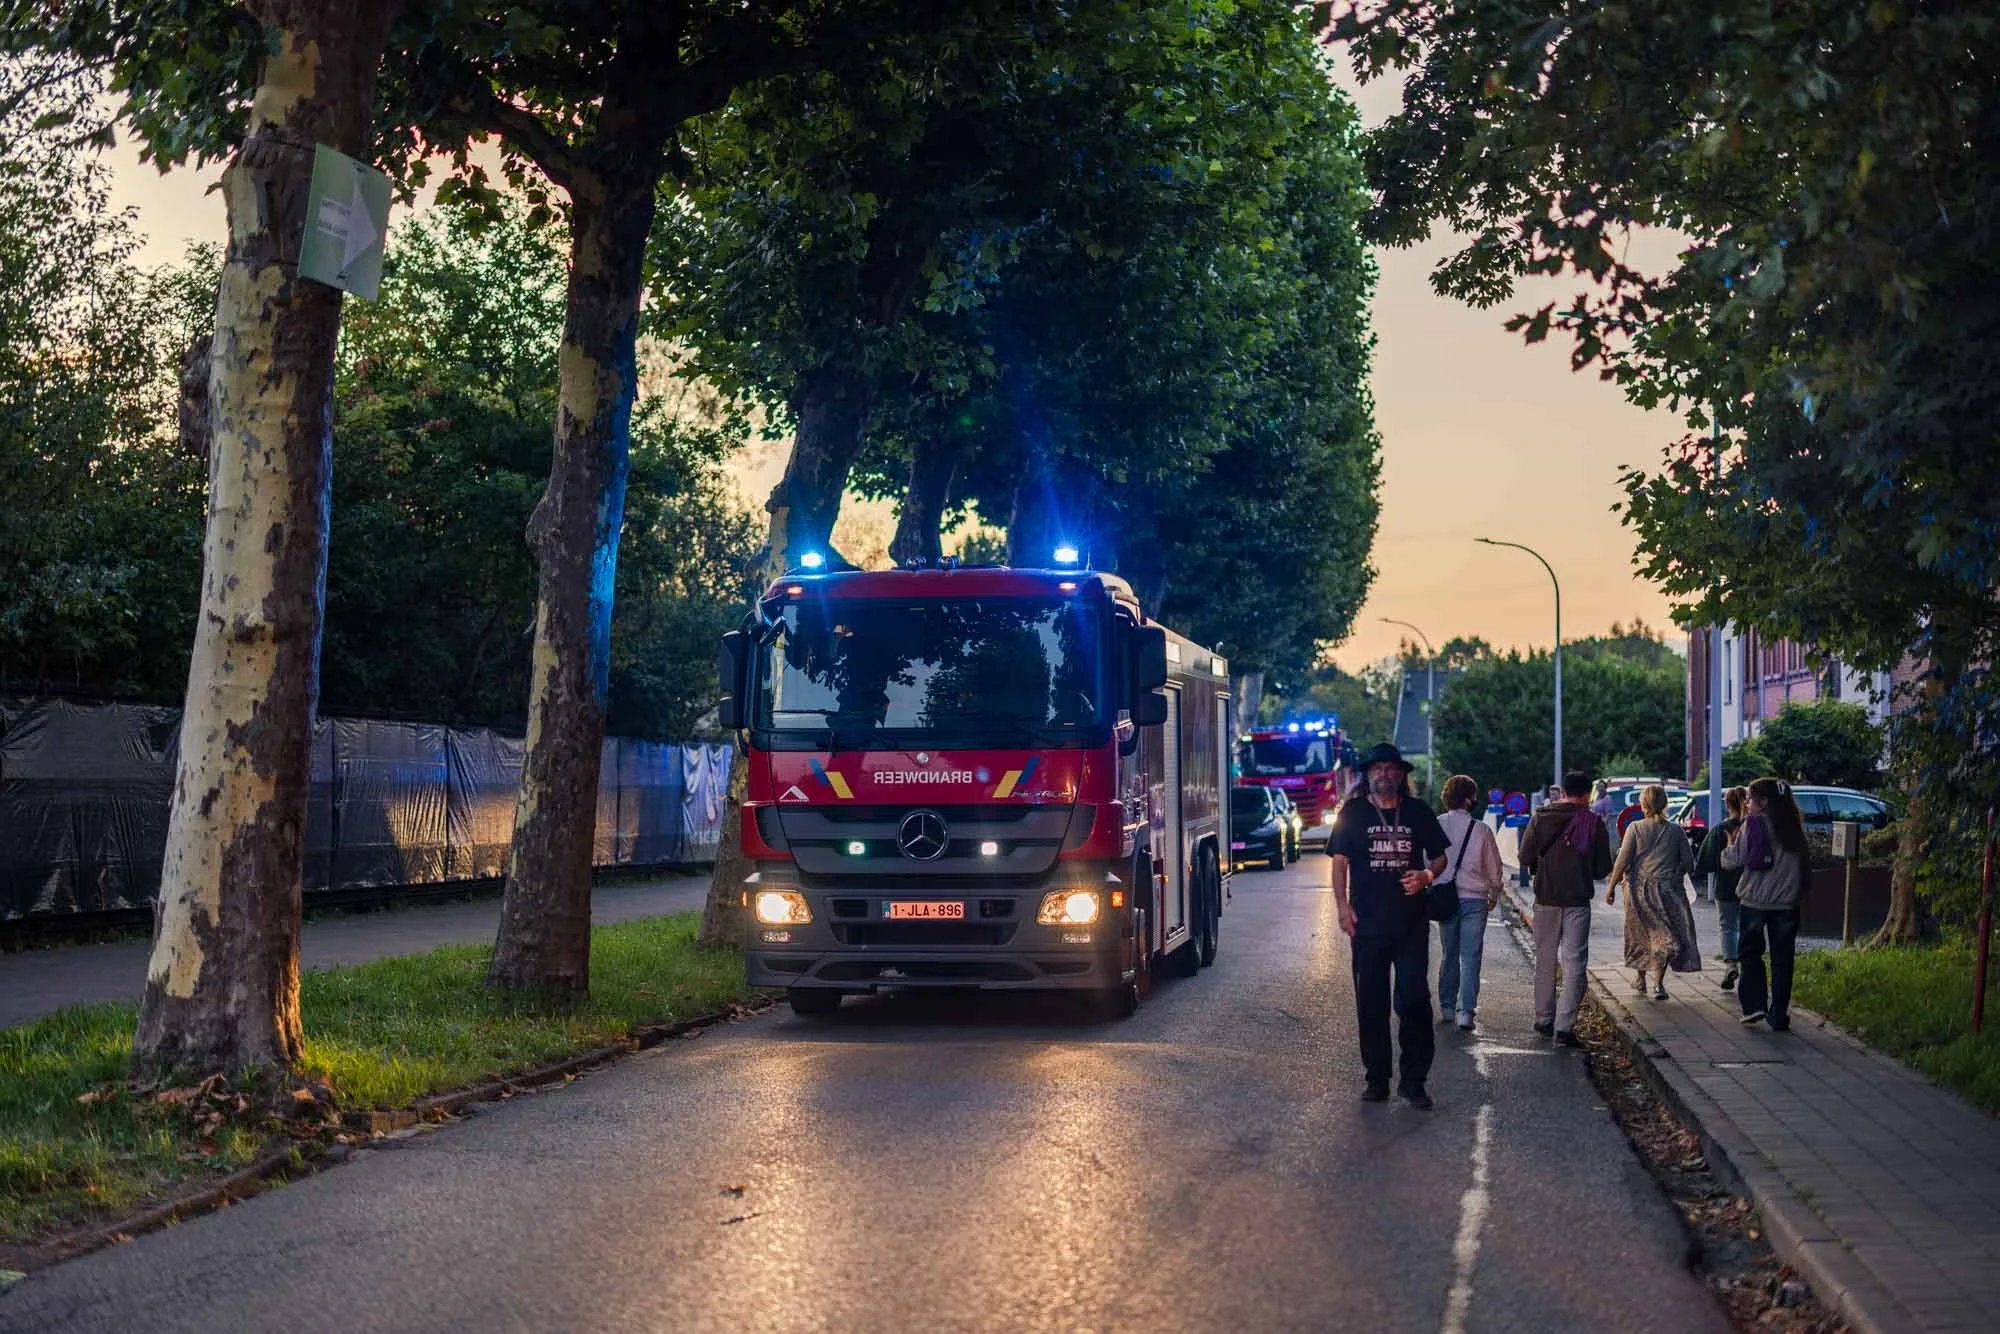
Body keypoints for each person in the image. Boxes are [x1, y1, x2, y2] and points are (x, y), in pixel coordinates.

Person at [1329, 742, 1450, 1109]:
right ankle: (1377, 1078)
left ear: (1401, 775)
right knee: (1371, 1004)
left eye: (1391, 769)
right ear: (1368, 775)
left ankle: (1414, 1081)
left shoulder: (1417, 812)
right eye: (1378, 769)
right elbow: (1339, 863)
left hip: (1411, 924)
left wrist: (1426, 875)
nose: (1384, 774)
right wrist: (1342, 906)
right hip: (1367, 926)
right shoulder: (1352, 813)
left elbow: (1441, 857)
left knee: (1414, 1002)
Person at [1518, 770, 1613, 1046]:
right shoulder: (1593, 822)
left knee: (1545, 962)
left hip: (1546, 898)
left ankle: (1543, 1019)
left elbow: (1524, 856)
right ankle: (1564, 1027)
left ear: (1563, 791)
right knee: (1574, 965)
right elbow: (1601, 869)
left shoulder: (1541, 817)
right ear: (1586, 795)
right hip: (1577, 902)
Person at [1723, 778, 1809, 1030]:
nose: (1747, 804)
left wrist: (1728, 844)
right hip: (1786, 903)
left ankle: (1754, 1005)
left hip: (1755, 901)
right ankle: (1778, 1014)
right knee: (1783, 958)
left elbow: (1732, 861)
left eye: (1750, 799)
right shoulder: (1794, 828)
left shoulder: (1752, 825)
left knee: (1750, 952)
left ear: (1763, 802)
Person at [1606, 784, 1701, 999]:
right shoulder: (1675, 830)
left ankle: (1641, 979)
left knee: (1640, 933)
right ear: (1665, 804)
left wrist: (1611, 887)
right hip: (1668, 892)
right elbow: (1689, 863)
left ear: (1643, 804)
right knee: (1664, 936)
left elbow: (1622, 861)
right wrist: (1674, 874)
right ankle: (1658, 984)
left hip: (1638, 891)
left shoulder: (1635, 828)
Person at [1434, 774, 1506, 1033]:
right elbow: (1494, 869)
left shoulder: (1437, 825)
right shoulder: (1482, 830)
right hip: (1475, 899)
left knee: (1449, 953)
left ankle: (1446, 1006)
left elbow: (1425, 860)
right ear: (1469, 799)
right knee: (1470, 956)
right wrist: (1494, 894)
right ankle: (1466, 1012)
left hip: (1445, 898)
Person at [1693, 787, 1750, 991]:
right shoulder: (1753, 827)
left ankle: (1730, 964)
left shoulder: (1720, 830)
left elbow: (1705, 861)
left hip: (1725, 886)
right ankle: (1748, 966)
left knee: (1727, 926)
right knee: (1747, 926)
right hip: (1751, 887)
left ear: (1728, 805)